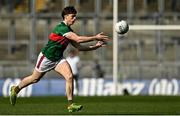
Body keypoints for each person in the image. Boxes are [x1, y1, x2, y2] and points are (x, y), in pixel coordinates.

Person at [10, 6, 110, 113]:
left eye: (75, 16)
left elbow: (79, 47)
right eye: (73, 16)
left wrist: (96, 46)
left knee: (70, 76)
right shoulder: (61, 28)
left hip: (58, 59)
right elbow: (78, 39)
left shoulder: (69, 31)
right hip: (46, 58)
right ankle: (15, 89)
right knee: (35, 79)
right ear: (66, 17)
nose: (74, 19)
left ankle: (70, 105)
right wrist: (95, 37)